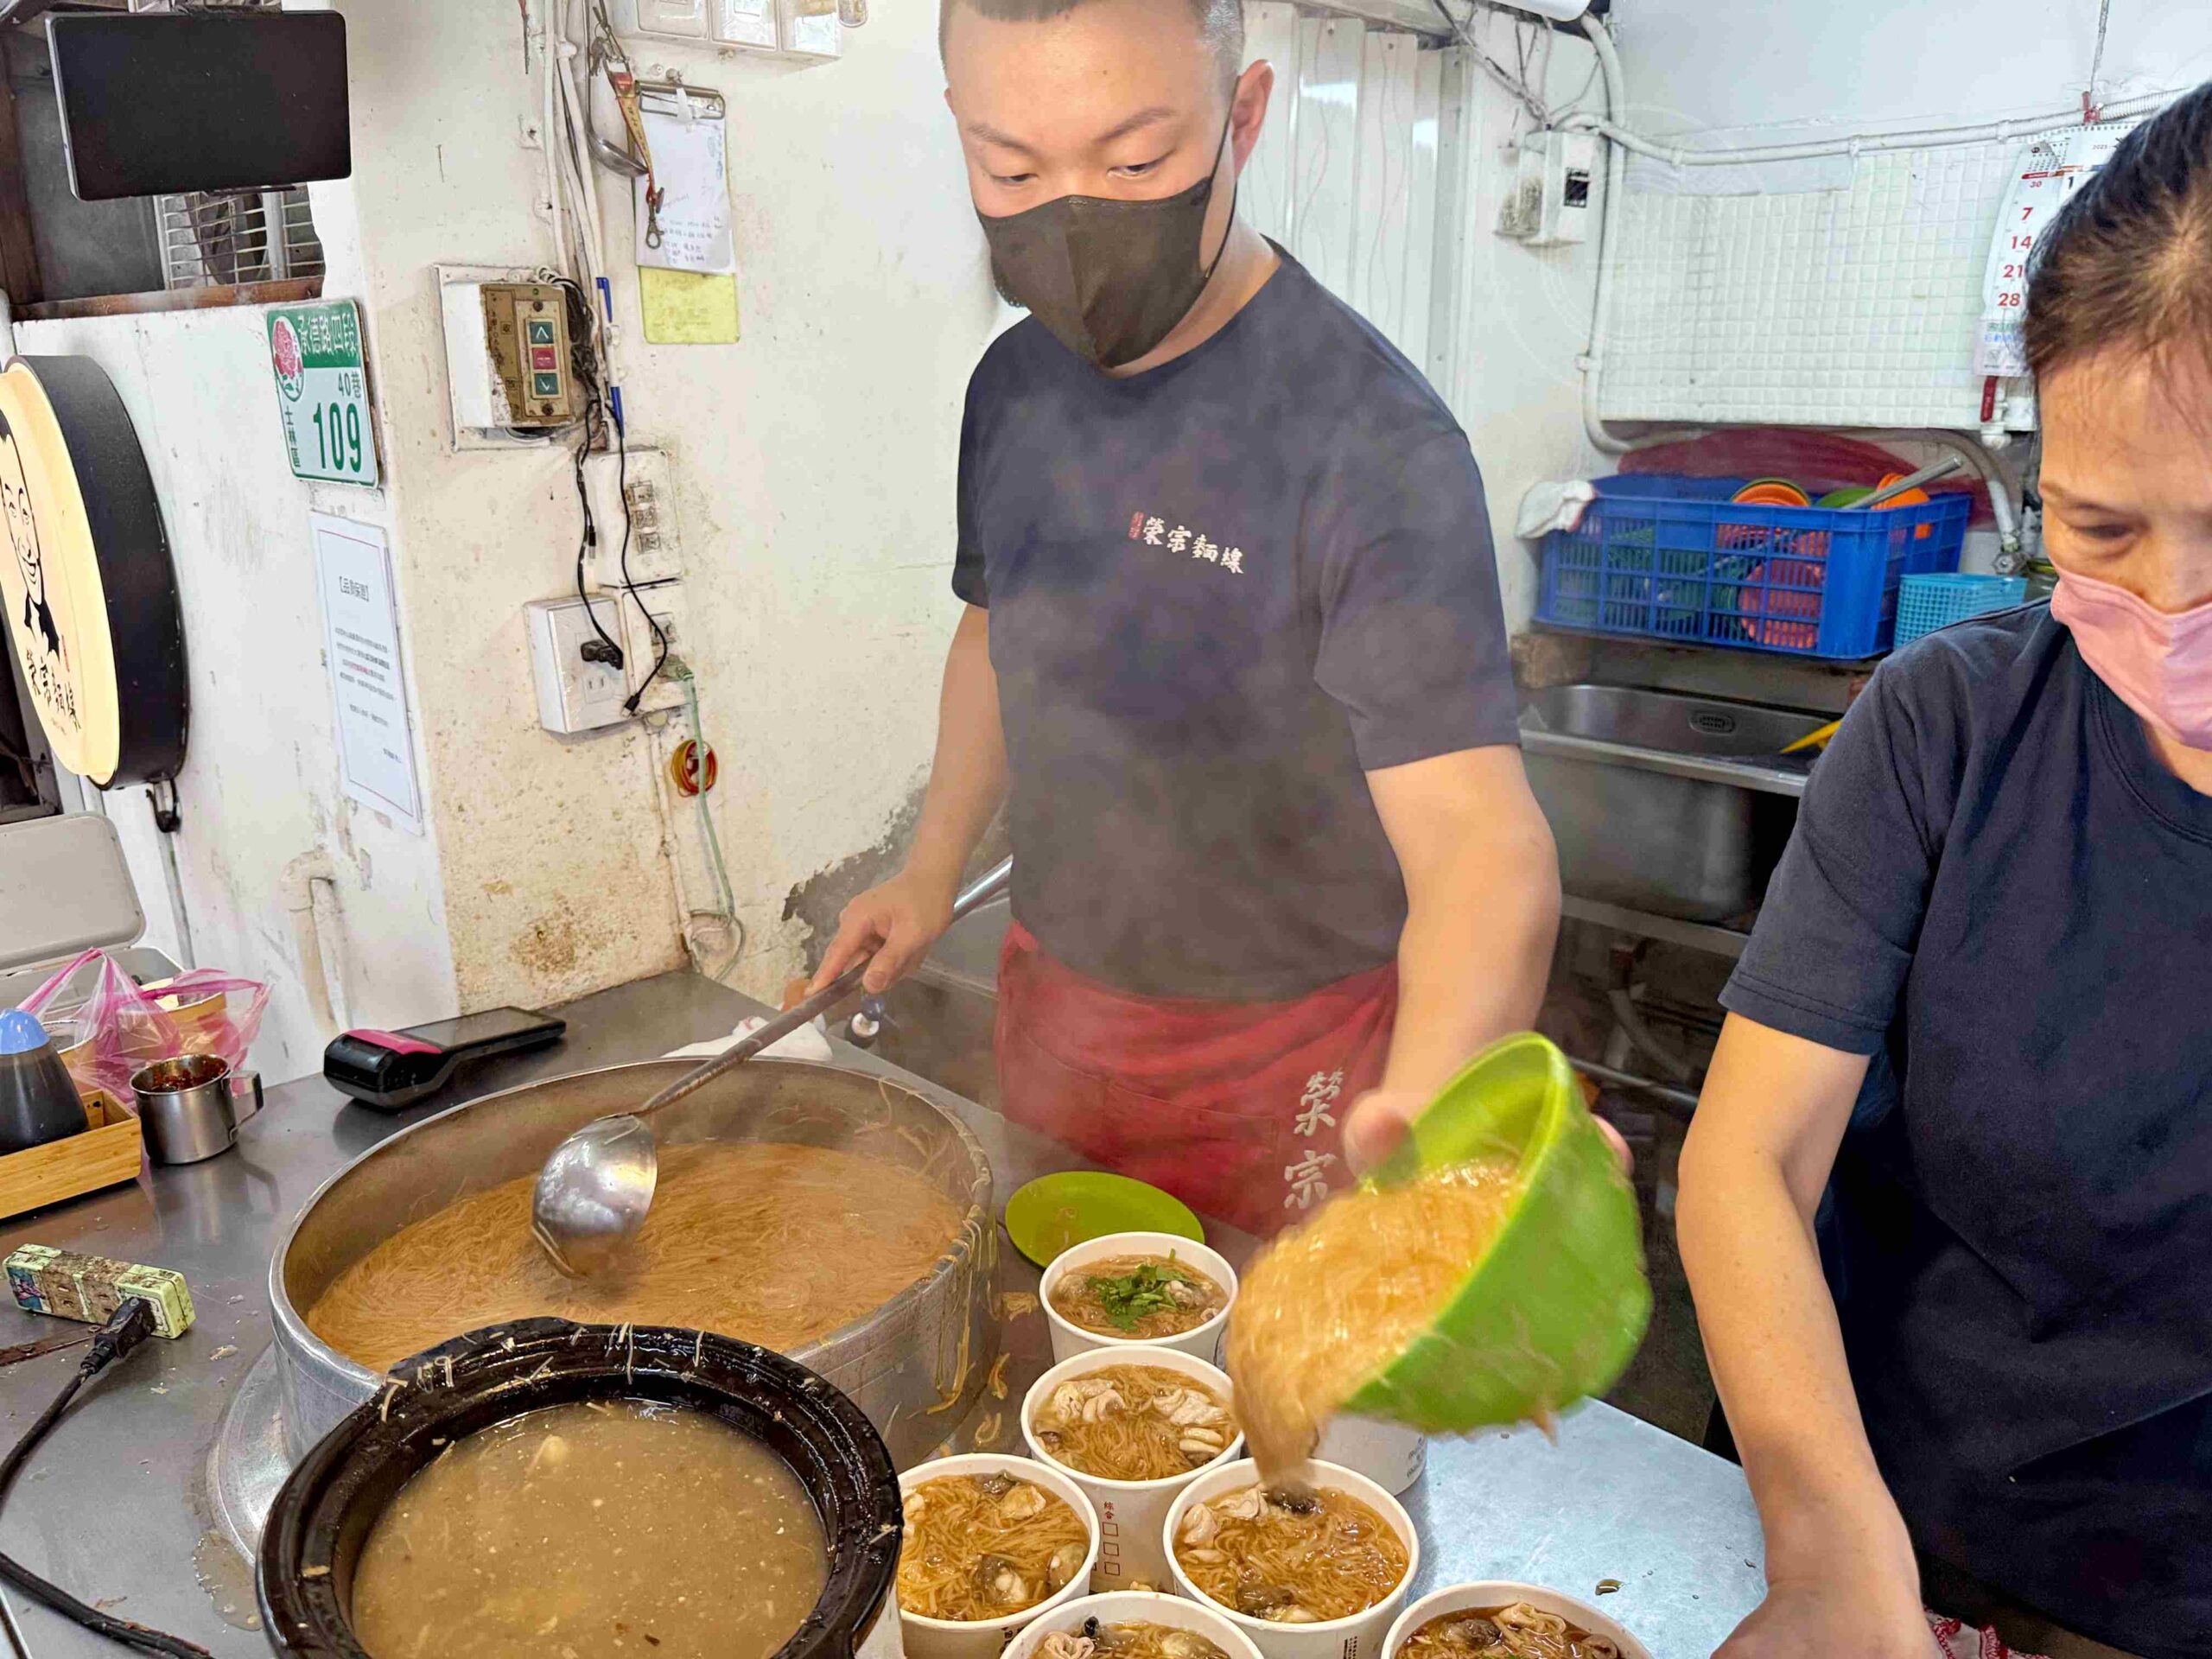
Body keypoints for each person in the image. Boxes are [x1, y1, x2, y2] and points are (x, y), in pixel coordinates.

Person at [809, 0, 1560, 1234]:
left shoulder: (1370, 439)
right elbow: (997, 634)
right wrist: (928, 871)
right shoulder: (1012, 386)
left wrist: (1424, 1117)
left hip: (1286, 1058)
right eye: (1009, 166)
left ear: (1244, 117)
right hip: (1051, 1010)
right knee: (1039, 1349)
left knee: (1270, 1403)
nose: (1073, 213)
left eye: (1135, 161)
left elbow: (1485, 848)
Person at [1678, 86, 2212, 1659]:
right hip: (1872, 1512)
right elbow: (1751, 1163)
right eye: (2101, 532)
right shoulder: (1956, 726)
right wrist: (1834, 1553)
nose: (2174, 612)